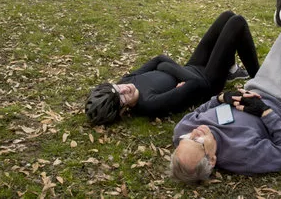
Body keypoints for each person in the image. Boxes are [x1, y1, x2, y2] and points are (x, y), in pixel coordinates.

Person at [170, 0, 281, 182]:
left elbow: (198, 113)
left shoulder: (182, 133)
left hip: (261, 85)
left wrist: (222, 98)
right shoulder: (241, 155)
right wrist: (265, 113)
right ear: (212, 160)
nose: (195, 131)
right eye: (199, 141)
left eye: (188, 138)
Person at [85, 11, 257, 125]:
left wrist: (168, 67)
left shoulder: (126, 81)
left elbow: (160, 58)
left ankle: (232, 70)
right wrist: (168, 67)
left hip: (192, 66)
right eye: (122, 97)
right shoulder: (149, 104)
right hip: (208, 82)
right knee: (237, 23)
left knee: (227, 16)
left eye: (118, 88)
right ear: (124, 109)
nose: (125, 89)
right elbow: (195, 83)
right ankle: (259, 78)